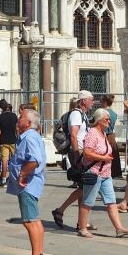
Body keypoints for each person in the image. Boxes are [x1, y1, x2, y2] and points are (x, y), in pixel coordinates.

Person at [75, 109, 128, 239]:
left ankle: (119, 228)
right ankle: (82, 228)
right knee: (88, 201)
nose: (109, 122)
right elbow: (87, 153)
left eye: (109, 120)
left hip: (106, 174)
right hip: (94, 173)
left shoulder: (102, 133)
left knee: (111, 202)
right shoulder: (92, 133)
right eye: (106, 119)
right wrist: (103, 158)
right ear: (99, 120)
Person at [9, 106, 47, 255]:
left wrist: (23, 174)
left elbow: (35, 160)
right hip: (32, 183)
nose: (18, 119)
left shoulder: (29, 137)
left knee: (29, 221)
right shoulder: (30, 136)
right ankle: (39, 254)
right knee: (35, 220)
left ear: (29, 123)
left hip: (28, 184)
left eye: (21, 117)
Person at [51, 92, 94, 228]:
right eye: (91, 100)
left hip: (81, 151)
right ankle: (60, 210)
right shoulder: (76, 114)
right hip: (78, 152)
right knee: (85, 186)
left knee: (83, 187)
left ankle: (81, 221)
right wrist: (76, 155)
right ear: (83, 101)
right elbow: (74, 135)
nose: (93, 102)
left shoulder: (82, 114)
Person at [0, 100, 18, 185]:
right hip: (13, 140)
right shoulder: (14, 116)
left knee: (4, 160)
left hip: (3, 141)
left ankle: (3, 179)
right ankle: (16, 177)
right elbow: (17, 129)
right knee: (15, 160)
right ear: (7, 106)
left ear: (1, 107)